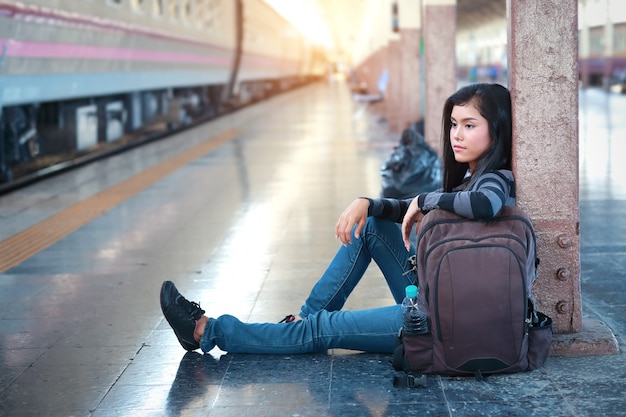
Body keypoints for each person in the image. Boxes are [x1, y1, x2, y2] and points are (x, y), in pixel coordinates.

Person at [160, 83, 514, 355]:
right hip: (437, 297)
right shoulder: (471, 177)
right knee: (372, 224)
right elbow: (409, 208)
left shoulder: (495, 179)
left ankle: (206, 331)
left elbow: (485, 204)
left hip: (442, 324)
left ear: (495, 131)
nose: (457, 134)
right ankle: (305, 317)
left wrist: (425, 198)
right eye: (454, 124)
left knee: (323, 329)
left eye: (470, 125)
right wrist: (370, 203)